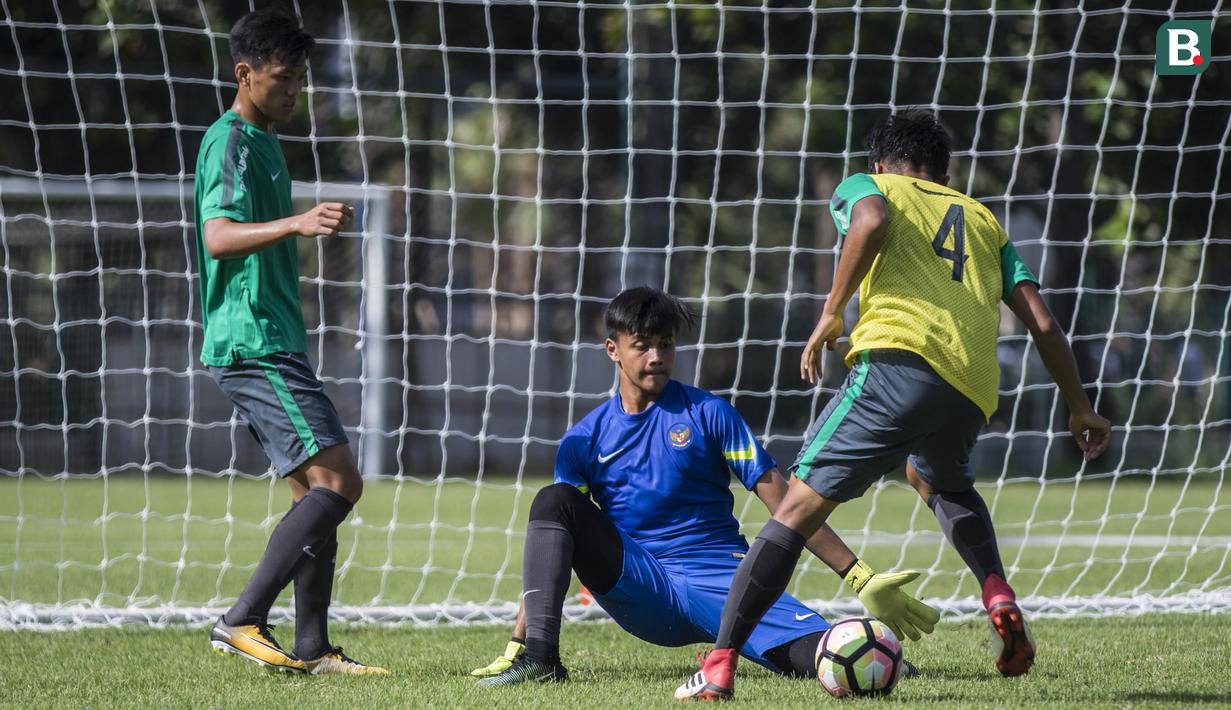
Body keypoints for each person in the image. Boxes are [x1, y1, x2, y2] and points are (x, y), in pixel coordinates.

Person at [676, 110, 1112, 700]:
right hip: (972, 388)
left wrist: (832, 311)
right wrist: (1079, 406)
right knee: (939, 483)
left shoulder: (871, 186)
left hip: (897, 364)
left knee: (794, 509)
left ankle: (721, 662)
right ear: (942, 170)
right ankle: (998, 594)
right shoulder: (982, 219)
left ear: (880, 163)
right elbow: (1041, 321)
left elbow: (872, 220)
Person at [470, 287, 938, 686]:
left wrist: (858, 576)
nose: (657, 357)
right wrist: (520, 638)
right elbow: (554, 538)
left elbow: (789, 505)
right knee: (555, 500)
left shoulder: (709, 415)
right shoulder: (584, 440)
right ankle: (540, 659)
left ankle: (877, 659)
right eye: (642, 345)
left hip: (724, 580)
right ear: (613, 349)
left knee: (837, 658)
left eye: (666, 344)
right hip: (641, 584)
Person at [194, 9, 385, 676]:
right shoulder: (228, 142)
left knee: (313, 493)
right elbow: (217, 236)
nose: (293, 91)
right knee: (340, 479)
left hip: (271, 338)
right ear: (244, 74)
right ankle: (241, 618)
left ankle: (313, 647)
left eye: (301, 79)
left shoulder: (267, 144)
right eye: (282, 79)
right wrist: (300, 222)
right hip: (252, 342)